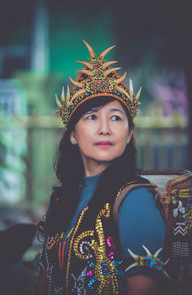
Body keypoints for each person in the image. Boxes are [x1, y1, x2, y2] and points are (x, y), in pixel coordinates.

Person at [36, 40, 169, 295]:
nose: (105, 128)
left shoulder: (135, 200)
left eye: (116, 117)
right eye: (92, 117)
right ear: (73, 134)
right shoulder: (61, 200)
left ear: (129, 134)